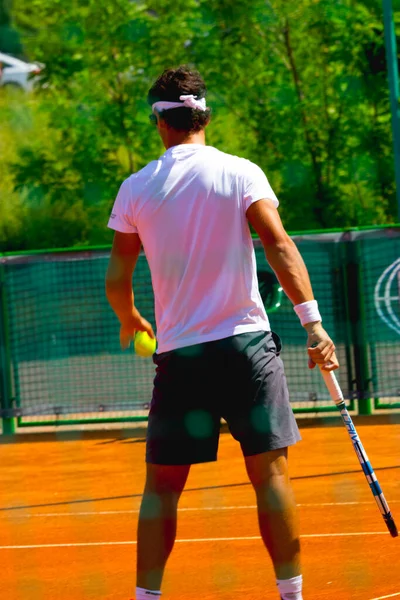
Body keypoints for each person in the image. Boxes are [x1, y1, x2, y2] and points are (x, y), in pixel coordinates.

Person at [105, 65, 339, 600]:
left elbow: (117, 278)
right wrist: (313, 323)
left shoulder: (136, 187)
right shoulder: (241, 172)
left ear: (159, 123)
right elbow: (279, 245)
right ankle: (292, 596)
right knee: (272, 478)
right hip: (247, 349)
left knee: (162, 490)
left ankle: (147, 597)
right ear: (205, 115)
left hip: (182, 357)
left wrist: (130, 319)